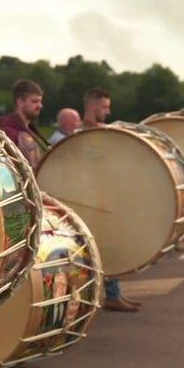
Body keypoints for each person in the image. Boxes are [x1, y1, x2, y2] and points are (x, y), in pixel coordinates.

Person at [79, 88, 139, 313]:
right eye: (104, 107)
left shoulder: (105, 132)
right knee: (94, 252)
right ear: (93, 106)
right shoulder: (80, 135)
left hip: (105, 198)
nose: (109, 111)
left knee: (110, 248)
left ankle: (114, 294)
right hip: (89, 201)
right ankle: (101, 297)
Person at [0, 79, 49, 167]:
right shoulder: (8, 132)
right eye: (34, 101)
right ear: (20, 102)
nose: (40, 106)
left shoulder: (29, 130)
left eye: (40, 101)